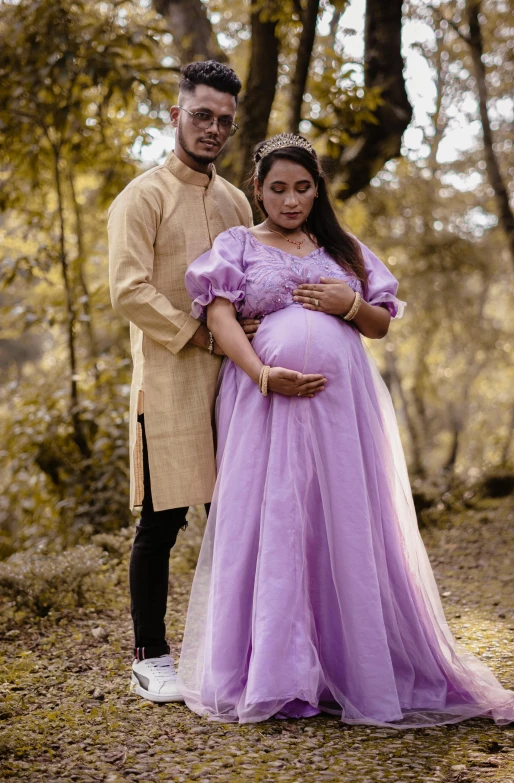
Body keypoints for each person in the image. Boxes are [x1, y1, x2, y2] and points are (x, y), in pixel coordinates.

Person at [179, 133, 514, 727]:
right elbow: (219, 316)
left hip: (343, 414)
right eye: (278, 188)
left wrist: (347, 304)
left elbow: (380, 324)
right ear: (258, 190)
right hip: (266, 406)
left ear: (318, 190)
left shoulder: (341, 248)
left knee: (341, 522)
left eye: (303, 188)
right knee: (276, 522)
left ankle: (355, 667)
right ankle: (277, 675)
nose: (291, 200)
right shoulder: (235, 244)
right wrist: (262, 374)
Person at [108, 61, 267, 703]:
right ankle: (151, 655)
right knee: (163, 519)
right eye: (202, 115)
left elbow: (252, 278)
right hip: (170, 379)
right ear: (176, 114)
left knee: (239, 515)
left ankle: (240, 651)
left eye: (225, 121)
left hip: (234, 381)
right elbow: (127, 289)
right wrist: (198, 334)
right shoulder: (143, 196)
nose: (213, 129)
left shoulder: (234, 201)